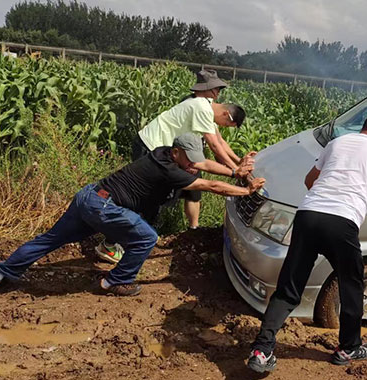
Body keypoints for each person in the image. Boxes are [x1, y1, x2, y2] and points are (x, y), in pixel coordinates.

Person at [0, 134, 265, 298]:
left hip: (89, 196)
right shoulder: (169, 168)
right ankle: (115, 281)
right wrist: (247, 191)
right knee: (147, 237)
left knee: (50, 240)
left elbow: (206, 165)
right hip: (104, 207)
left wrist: (235, 171)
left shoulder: (164, 154)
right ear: (176, 153)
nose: (193, 162)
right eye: (188, 157)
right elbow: (209, 185)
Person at [247, 111, 367, 374]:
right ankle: (349, 346)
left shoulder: (337, 143)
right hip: (342, 223)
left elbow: (310, 180)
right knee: (351, 283)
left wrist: (325, 200)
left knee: (289, 287)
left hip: (308, 216)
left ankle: (262, 350)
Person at [95, 69, 255, 264]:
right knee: (144, 196)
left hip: (162, 151)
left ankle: (129, 238)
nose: (223, 127)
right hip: (150, 147)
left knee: (158, 198)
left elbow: (220, 142)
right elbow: (214, 146)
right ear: (227, 115)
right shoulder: (202, 108)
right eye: (227, 125)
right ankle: (112, 243)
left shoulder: (205, 106)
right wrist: (236, 172)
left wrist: (239, 163)